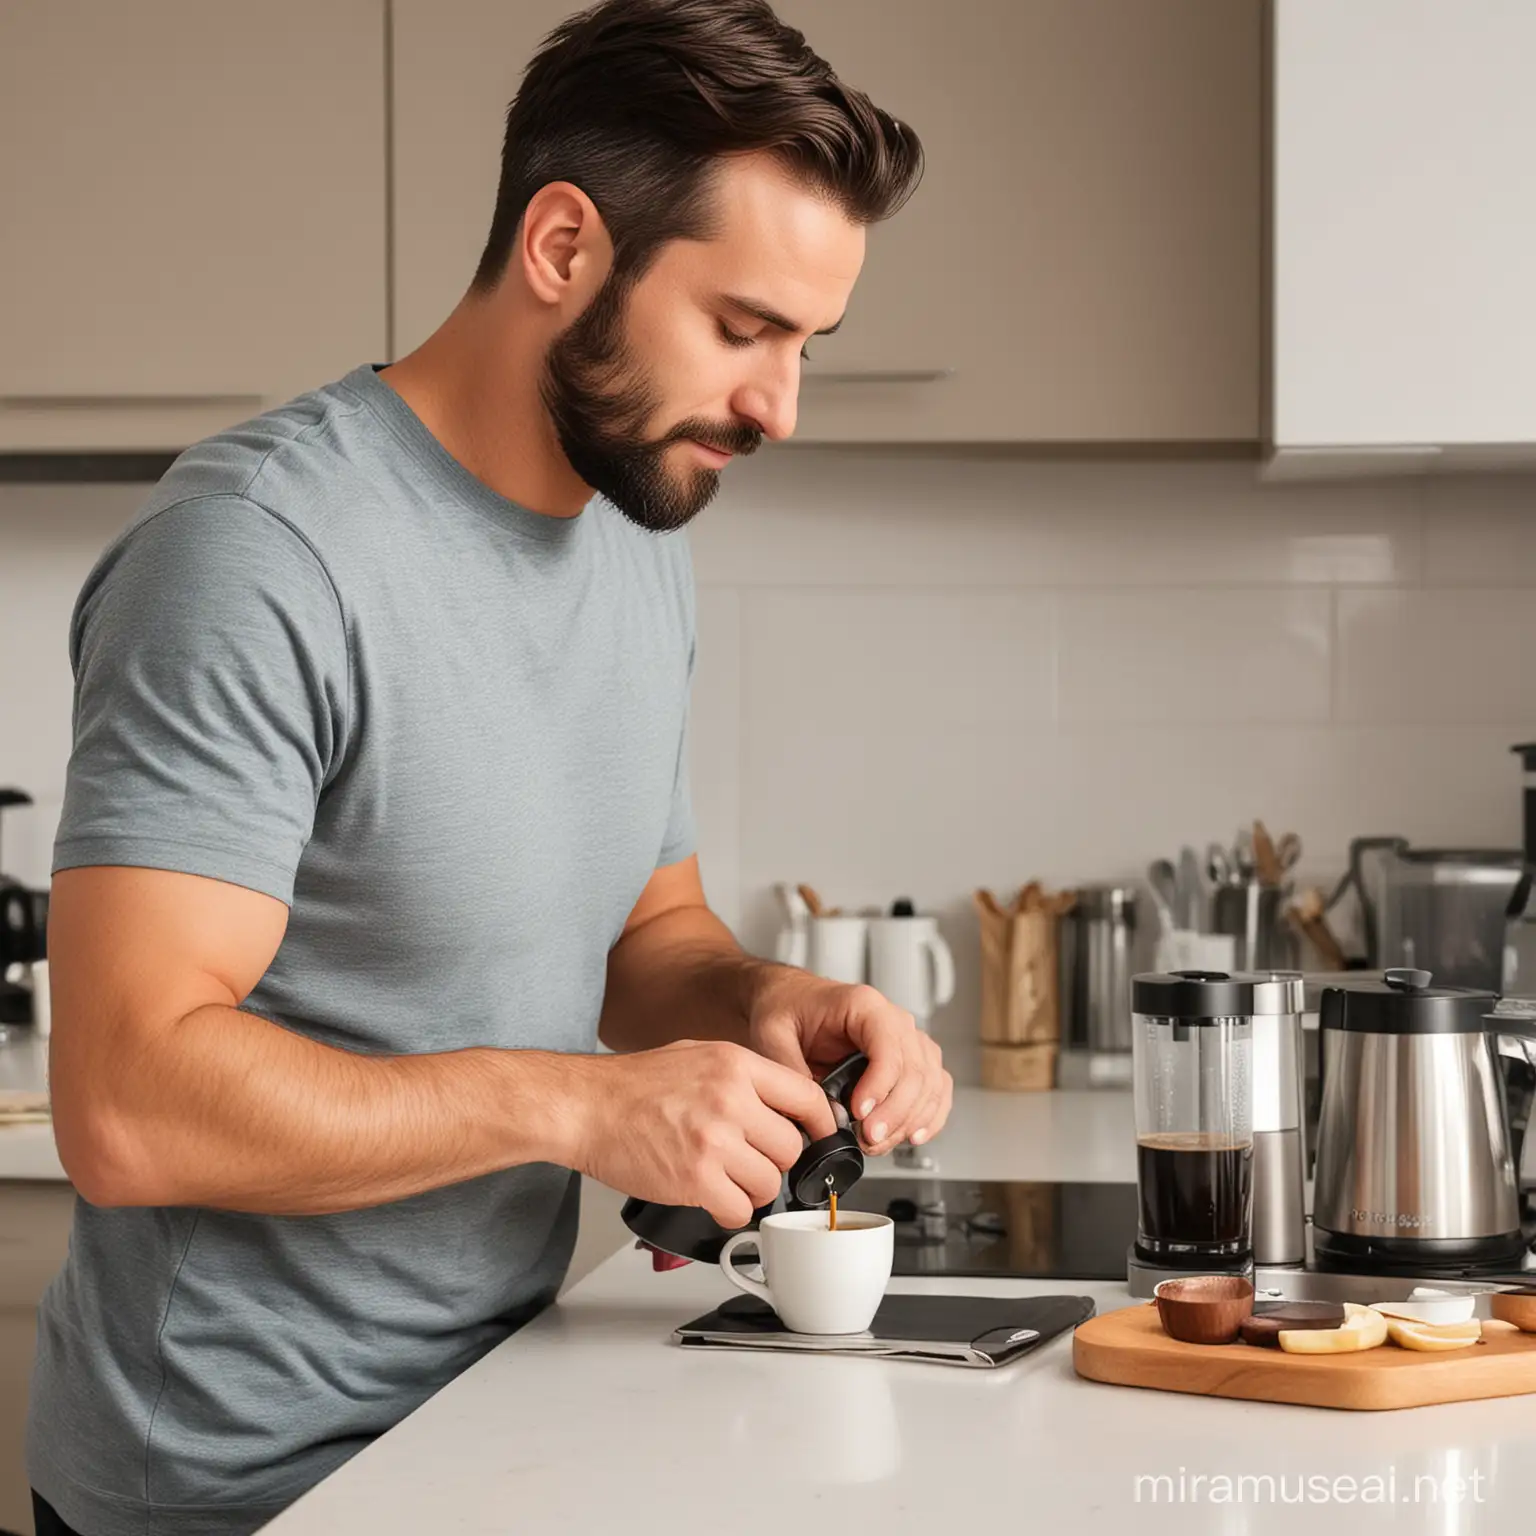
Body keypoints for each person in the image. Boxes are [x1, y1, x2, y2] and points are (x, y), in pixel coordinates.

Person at [25, 1, 950, 1532]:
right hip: (238, 1490)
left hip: (498, 1415)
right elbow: (126, 1109)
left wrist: (764, 1007)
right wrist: (580, 1110)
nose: (779, 407)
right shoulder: (260, 556)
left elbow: (646, 940)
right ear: (565, 248)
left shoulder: (635, 532)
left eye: (807, 346)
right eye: (742, 328)